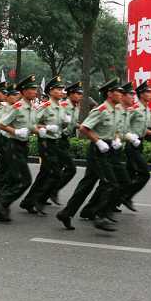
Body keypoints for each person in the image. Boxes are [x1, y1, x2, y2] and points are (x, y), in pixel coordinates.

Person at [56, 78, 125, 232]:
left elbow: (116, 129)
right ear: (109, 93)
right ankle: (100, 215)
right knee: (110, 183)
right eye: (118, 92)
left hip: (109, 148)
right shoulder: (100, 110)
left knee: (87, 185)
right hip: (97, 150)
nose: (121, 94)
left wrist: (117, 139)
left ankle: (66, 213)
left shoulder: (117, 110)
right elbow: (85, 128)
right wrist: (98, 141)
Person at [0, 75, 39, 222]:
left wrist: (41, 130)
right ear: (23, 91)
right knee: (24, 180)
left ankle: (0, 207)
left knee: (14, 179)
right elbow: (1, 124)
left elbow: (31, 126)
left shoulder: (31, 107)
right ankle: (1, 205)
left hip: (23, 145)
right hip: (13, 145)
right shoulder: (18, 107)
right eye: (31, 89)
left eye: (35, 88)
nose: (35, 91)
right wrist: (15, 131)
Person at [20, 76, 67, 215]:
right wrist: (46, 128)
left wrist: (64, 123)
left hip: (55, 141)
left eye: (61, 89)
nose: (61, 91)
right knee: (54, 173)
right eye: (58, 89)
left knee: (45, 174)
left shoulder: (60, 107)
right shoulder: (45, 106)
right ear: (50, 91)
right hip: (46, 142)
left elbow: (60, 125)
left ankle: (29, 201)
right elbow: (32, 124)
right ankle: (38, 200)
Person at [120, 80, 151, 211]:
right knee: (145, 174)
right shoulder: (134, 109)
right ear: (141, 94)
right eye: (147, 92)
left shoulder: (147, 110)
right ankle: (126, 196)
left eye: (150, 91)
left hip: (140, 144)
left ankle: (113, 202)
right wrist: (130, 137)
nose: (150, 94)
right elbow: (122, 126)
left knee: (129, 176)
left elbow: (142, 129)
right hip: (131, 144)